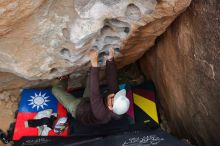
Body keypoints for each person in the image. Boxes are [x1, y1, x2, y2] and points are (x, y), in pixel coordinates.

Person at [52, 48, 130, 126]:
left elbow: (95, 92)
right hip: (89, 100)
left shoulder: (101, 114)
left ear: (110, 107)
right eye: (117, 96)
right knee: (91, 76)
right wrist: (110, 60)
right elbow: (112, 79)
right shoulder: (116, 99)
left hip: (78, 109)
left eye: (113, 98)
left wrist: (94, 65)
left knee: (55, 89)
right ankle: (89, 72)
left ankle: (64, 79)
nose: (114, 95)